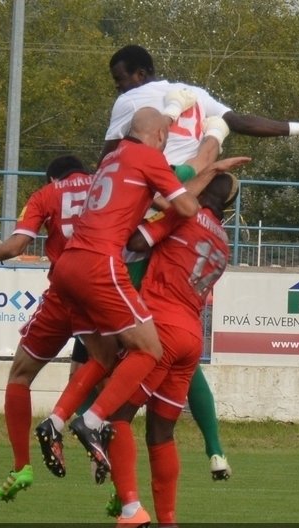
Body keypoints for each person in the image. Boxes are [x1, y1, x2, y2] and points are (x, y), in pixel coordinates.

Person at [96, 44, 299, 480]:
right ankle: (215, 450)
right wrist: (298, 127)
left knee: (107, 340)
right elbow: (239, 121)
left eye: (121, 77)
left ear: (139, 73)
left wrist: (99, 210)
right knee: (177, 367)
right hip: (187, 275)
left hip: (156, 205)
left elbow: (111, 158)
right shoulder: (217, 236)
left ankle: (90, 424)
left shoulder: (131, 102)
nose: (119, 86)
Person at [38, 108, 248, 480]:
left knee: (94, 362)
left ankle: (61, 422)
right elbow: (182, 192)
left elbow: (164, 206)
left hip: (81, 269)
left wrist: (189, 129)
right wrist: (213, 145)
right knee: (147, 407)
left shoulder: (110, 162)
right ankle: (200, 456)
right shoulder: (222, 242)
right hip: (149, 303)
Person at [102, 173, 238, 528]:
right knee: (160, 433)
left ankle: (130, 507)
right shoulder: (224, 243)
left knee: (115, 417)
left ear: (197, 193)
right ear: (227, 209)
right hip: (192, 338)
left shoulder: (185, 215)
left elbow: (138, 242)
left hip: (158, 330)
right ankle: (168, 526)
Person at [0, 155, 94, 501]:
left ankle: (22, 466)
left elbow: (14, 246)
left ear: (53, 176)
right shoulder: (107, 187)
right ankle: (118, 483)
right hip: (103, 293)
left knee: (20, 376)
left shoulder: (46, 194)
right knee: (101, 376)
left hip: (63, 293)